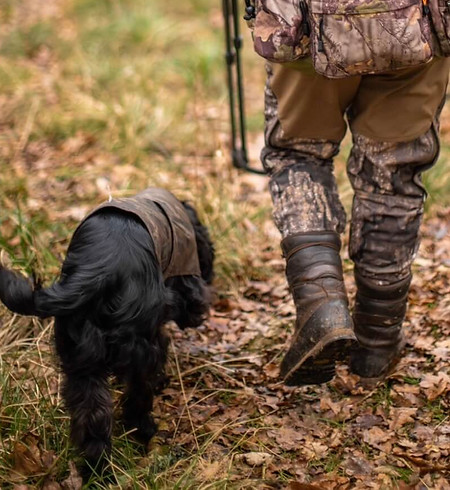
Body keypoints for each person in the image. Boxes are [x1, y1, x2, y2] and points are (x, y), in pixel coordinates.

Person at [259, 55, 450, 385]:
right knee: (392, 172)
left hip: (311, 23)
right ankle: (376, 345)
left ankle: (322, 306)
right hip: (415, 22)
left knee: (299, 154)